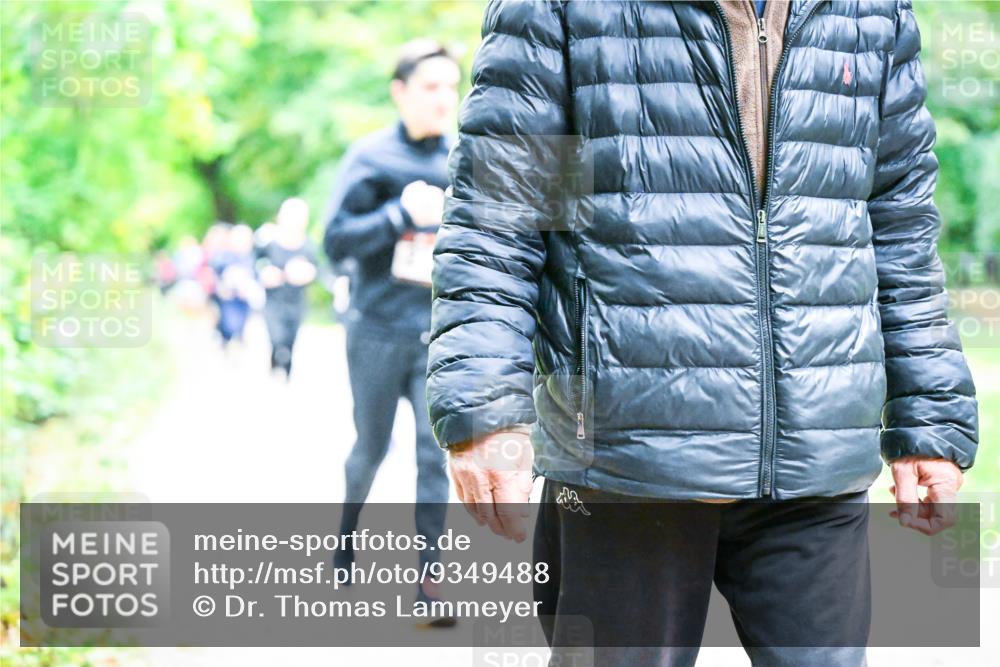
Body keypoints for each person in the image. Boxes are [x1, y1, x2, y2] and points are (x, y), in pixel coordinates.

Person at [426, 1, 980, 665]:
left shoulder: (874, 11)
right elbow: (502, 216)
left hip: (817, 454)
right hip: (629, 457)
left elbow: (898, 225)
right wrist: (485, 411)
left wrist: (930, 418)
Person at [323, 39, 460, 613]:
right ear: (399, 92)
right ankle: (347, 536)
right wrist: (398, 215)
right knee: (371, 449)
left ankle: (429, 579)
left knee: (435, 456)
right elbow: (334, 241)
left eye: (452, 87)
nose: (443, 99)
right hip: (376, 330)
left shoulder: (462, 159)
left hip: (436, 334)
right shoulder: (370, 157)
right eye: (430, 87)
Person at [256, 198, 318, 379]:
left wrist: (308, 273)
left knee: (291, 339)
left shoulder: (308, 246)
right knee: (276, 337)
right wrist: (265, 273)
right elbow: (256, 263)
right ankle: (275, 362)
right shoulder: (269, 243)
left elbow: (319, 270)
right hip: (274, 300)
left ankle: (286, 371)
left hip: (296, 300)